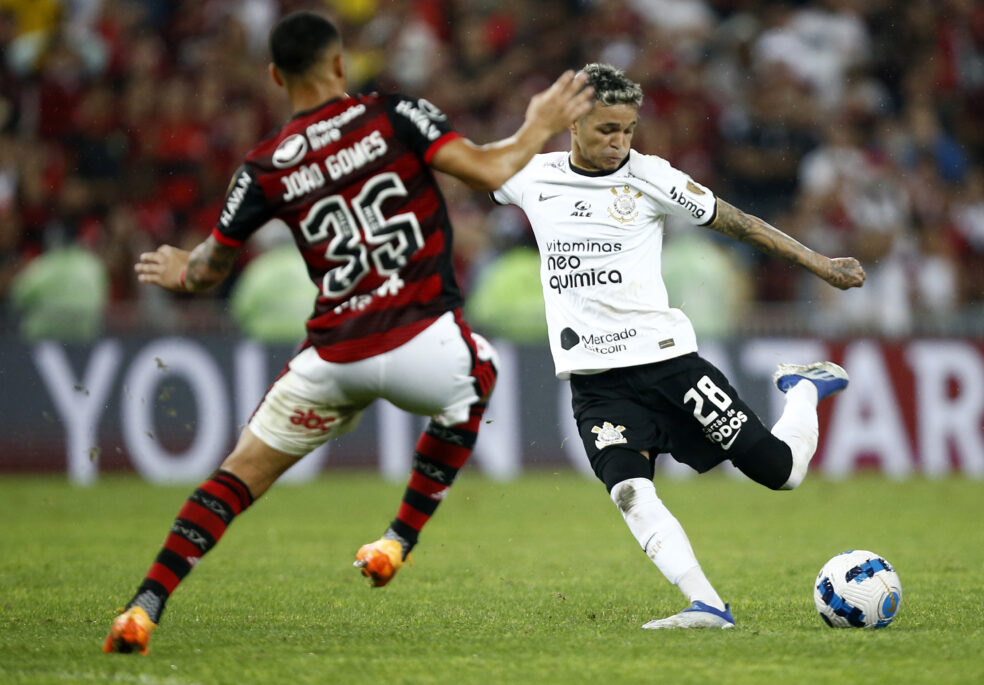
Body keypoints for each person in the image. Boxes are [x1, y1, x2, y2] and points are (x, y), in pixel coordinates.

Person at [103, 11, 593, 655]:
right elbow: (489, 170)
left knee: (236, 475)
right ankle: (397, 540)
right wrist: (539, 125)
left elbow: (208, 270)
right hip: (422, 340)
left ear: (276, 76)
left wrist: (180, 269)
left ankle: (145, 605)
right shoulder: (394, 115)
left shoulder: (264, 166)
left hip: (333, 356)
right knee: (480, 372)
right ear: (339, 65)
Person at [490, 63, 865, 630]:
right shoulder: (530, 175)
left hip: (666, 363)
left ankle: (805, 388)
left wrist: (820, 263)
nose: (619, 143)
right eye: (606, 130)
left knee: (781, 472)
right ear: (572, 123)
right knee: (629, 491)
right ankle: (708, 605)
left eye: (628, 130)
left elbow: (740, 224)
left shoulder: (650, 177)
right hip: (595, 380)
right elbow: (458, 160)